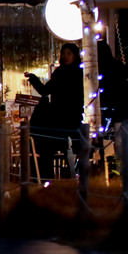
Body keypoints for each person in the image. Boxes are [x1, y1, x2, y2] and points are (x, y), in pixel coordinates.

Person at [26, 42, 84, 178]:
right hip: (59, 118)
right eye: (64, 53)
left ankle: (69, 176)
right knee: (49, 147)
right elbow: (45, 90)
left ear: (75, 55)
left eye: (69, 53)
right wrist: (34, 79)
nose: (66, 56)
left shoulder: (78, 73)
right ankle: (50, 177)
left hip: (71, 117)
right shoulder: (60, 72)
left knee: (68, 148)